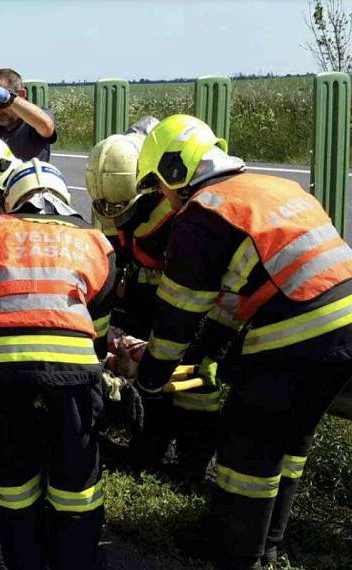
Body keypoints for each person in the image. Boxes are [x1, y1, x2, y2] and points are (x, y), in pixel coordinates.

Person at [132, 114, 352, 569]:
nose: (164, 199)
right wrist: (213, 350)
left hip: (299, 331)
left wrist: (151, 377)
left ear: (176, 170)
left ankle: (236, 557)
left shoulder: (204, 212)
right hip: (346, 323)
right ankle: (270, 543)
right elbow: (246, 291)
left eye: (159, 186)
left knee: (246, 446)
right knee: (291, 440)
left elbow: (178, 315)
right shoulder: (275, 186)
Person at [0, 159, 115, 569]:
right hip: (75, 375)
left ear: (12, 200)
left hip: (1, 376)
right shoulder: (97, 241)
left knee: (12, 483)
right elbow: (98, 328)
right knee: (76, 485)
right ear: (65, 198)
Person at [86, 118, 220, 482]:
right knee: (151, 375)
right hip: (148, 295)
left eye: (124, 210)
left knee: (196, 385)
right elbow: (111, 261)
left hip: (194, 299)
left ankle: (193, 465)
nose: (119, 218)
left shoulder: (180, 203)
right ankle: (148, 449)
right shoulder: (113, 196)